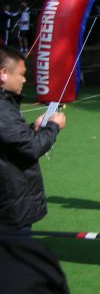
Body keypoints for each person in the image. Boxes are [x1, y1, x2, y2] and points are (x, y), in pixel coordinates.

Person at [0, 46, 66, 230]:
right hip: (9, 205)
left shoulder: (5, 106)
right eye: (21, 74)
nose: (24, 79)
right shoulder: (2, 109)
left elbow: (12, 140)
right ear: (4, 73)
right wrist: (53, 127)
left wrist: (33, 128)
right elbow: (32, 147)